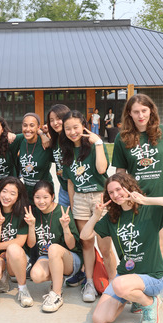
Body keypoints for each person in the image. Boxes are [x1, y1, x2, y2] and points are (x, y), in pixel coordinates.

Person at [80, 173, 163, 323]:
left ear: (128, 188)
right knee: (99, 319)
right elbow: (85, 235)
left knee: (119, 285)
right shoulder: (113, 217)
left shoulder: (148, 210)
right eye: (111, 192)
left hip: (152, 277)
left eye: (118, 189)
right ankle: (135, 299)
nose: (115, 195)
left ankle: (149, 302)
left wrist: (144, 200)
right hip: (126, 276)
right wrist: (95, 216)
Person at [60, 110, 115, 303]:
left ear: (84, 125)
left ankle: (114, 284)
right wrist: (74, 204)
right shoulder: (65, 151)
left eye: (76, 127)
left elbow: (102, 169)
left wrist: (98, 142)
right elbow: (70, 182)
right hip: (81, 199)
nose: (72, 131)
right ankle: (89, 282)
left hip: (100, 197)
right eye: (68, 128)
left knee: (105, 246)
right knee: (87, 243)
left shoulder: (95, 146)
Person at [111, 94, 163, 267]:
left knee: (160, 244)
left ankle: (157, 286)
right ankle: (139, 282)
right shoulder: (122, 138)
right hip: (136, 199)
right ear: (129, 113)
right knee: (139, 246)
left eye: (144, 110)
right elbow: (120, 172)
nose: (141, 116)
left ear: (151, 110)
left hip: (162, 197)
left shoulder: (162, 132)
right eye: (136, 112)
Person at [24, 180, 83, 313]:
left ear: (53, 197)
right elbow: (31, 244)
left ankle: (56, 294)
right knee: (36, 275)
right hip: (47, 257)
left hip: (70, 259)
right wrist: (32, 226)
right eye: (37, 197)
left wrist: (66, 227)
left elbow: (72, 245)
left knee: (54, 248)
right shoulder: (33, 213)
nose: (41, 201)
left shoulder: (62, 212)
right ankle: (57, 280)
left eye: (45, 197)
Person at [0, 177, 31, 307]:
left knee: (13, 248)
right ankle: (3, 275)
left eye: (12, 193)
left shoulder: (22, 213)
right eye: (4, 191)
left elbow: (20, 241)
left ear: (18, 197)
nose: (7, 196)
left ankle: (23, 289)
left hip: (15, 256)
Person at [17, 113, 53, 200]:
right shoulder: (20, 140)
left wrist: (44, 134)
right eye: (25, 125)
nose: (28, 129)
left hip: (43, 194)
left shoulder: (45, 142)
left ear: (38, 127)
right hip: (27, 193)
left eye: (32, 125)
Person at [46, 104, 71, 208]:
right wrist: (42, 133)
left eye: (58, 118)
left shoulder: (72, 138)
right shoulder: (56, 140)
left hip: (78, 190)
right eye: (51, 120)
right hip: (64, 189)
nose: (55, 123)